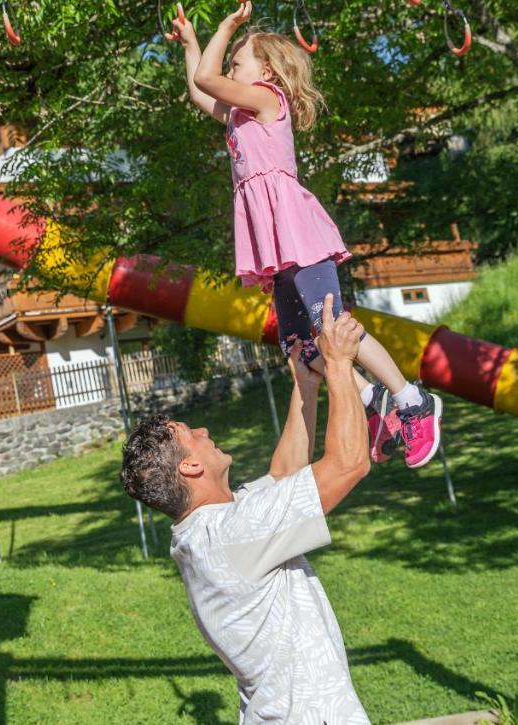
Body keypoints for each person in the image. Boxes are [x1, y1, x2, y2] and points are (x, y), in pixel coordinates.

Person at [169, 2, 440, 468]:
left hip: (297, 232)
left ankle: (411, 398)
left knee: (333, 326)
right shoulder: (239, 114)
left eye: (238, 60)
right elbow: (201, 91)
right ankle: (372, 399)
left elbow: (207, 81)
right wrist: (193, 44)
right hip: (276, 244)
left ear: (267, 69)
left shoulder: (267, 98)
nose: (230, 67)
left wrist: (226, 24)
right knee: (303, 345)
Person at [120, 294, 372, 724]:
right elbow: (350, 463)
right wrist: (339, 365)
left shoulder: (210, 530)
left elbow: (283, 475)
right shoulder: (234, 534)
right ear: (191, 465)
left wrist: (305, 385)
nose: (202, 429)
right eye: (189, 433)